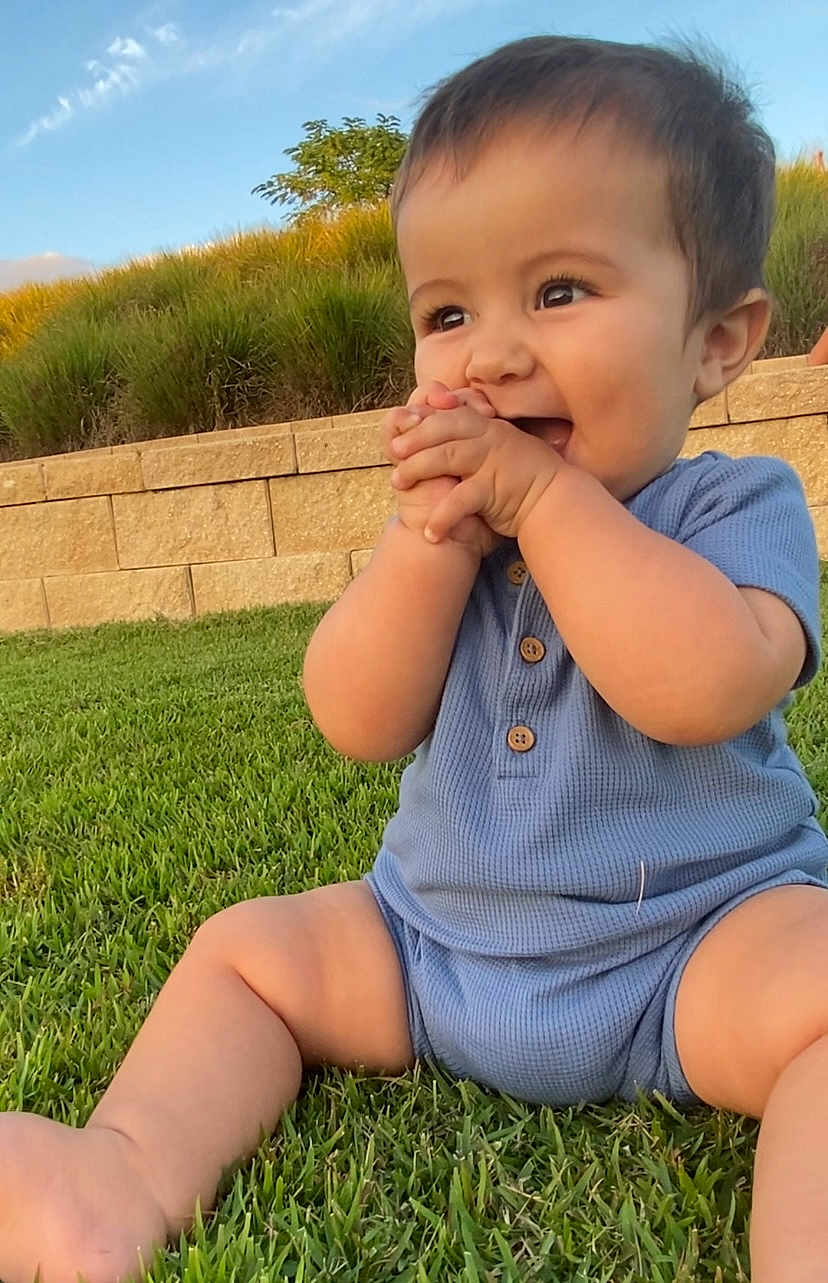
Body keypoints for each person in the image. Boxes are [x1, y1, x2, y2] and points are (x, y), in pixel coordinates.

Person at [2, 33, 827, 1283]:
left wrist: (550, 507)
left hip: (695, 947)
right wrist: (425, 547)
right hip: (431, 946)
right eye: (448, 312)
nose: (489, 353)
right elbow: (354, 713)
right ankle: (119, 1165)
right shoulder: (451, 530)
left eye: (558, 292)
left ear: (717, 341)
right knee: (245, 949)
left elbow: (704, 684)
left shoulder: (731, 507)